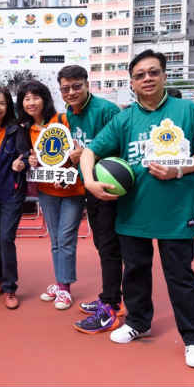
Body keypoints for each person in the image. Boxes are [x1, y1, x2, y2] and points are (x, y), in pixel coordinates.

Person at [80, 49, 194, 369]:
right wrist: (89, 181)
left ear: (164, 76)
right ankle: (138, 322)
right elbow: (90, 152)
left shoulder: (187, 110)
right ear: (131, 82)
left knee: (180, 276)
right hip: (134, 213)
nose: (147, 78)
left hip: (176, 212)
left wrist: (179, 169)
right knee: (135, 273)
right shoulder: (125, 118)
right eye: (139, 75)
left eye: (153, 72)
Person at [57, 65, 124, 334]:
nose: (71, 92)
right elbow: (77, 153)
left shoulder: (107, 110)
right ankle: (112, 297)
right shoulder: (69, 115)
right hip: (90, 187)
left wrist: (85, 153)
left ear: (87, 84)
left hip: (108, 187)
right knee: (101, 244)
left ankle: (111, 306)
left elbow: (120, 148)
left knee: (109, 246)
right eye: (65, 88)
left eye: (76, 86)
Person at [17, 80, 86, 311]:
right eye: (26, 98)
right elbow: (34, 160)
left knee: (65, 239)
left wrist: (72, 165)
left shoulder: (62, 119)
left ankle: (65, 288)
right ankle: (60, 282)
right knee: (55, 240)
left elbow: (78, 152)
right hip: (46, 191)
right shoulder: (26, 129)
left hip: (72, 190)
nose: (31, 102)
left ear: (45, 99)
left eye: (35, 97)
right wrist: (31, 160)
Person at [0, 86, 28, 309]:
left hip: (11, 193)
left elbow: (27, 157)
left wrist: (22, 164)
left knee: (6, 239)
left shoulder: (16, 131)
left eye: (1, 103)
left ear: (8, 106)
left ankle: (10, 288)